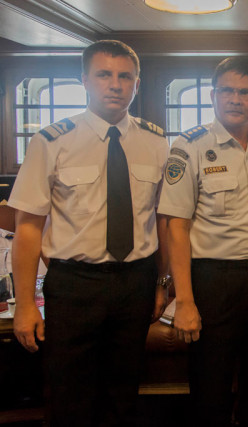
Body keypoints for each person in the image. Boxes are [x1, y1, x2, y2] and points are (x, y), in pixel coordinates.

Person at [9, 40, 169, 426]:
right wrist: (27, 304)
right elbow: (28, 228)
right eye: (104, 75)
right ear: (85, 80)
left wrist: (161, 283)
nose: (115, 85)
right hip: (75, 284)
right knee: (69, 395)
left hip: (136, 281)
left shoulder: (157, 141)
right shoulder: (52, 141)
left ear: (137, 83)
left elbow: (161, 220)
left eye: (124, 76)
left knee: (124, 393)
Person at [157, 57, 248, 427]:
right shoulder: (191, 146)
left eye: (246, 92)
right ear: (213, 95)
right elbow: (176, 227)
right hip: (213, 279)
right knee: (210, 382)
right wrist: (183, 300)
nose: (236, 99)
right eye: (228, 91)